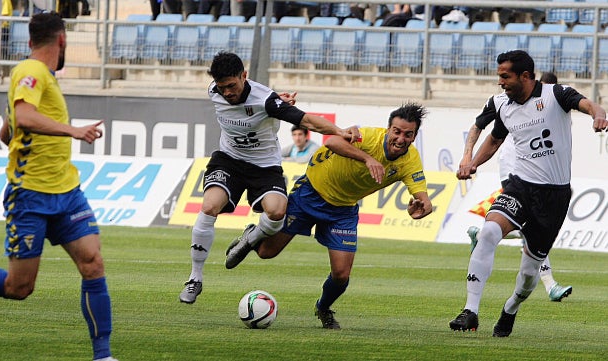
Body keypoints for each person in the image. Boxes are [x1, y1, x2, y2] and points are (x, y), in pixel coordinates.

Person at [0, 13, 117, 361]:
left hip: (66, 192)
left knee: (93, 263)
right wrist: (74, 130)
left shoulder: (38, 76)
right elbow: (26, 116)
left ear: (31, 39)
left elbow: (9, 130)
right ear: (62, 41)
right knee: (19, 288)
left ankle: (103, 356)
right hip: (30, 196)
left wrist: (15, 132)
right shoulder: (31, 71)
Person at [226, 103, 433, 329]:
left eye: (408, 134)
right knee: (267, 252)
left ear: (414, 136)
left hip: (342, 210)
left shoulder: (410, 160)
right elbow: (332, 141)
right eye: (397, 131)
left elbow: (423, 198)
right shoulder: (369, 137)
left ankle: (323, 308)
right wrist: (367, 158)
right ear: (388, 129)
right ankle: (253, 234)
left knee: (342, 274)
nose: (401, 138)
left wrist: (422, 207)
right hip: (310, 193)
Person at [178, 51, 360, 304]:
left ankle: (250, 238)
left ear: (244, 76)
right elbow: (226, 91)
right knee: (209, 206)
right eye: (222, 87)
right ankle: (195, 278)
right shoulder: (214, 91)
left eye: (232, 85)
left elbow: (308, 121)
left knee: (276, 212)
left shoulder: (266, 101)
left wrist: (338, 131)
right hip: (228, 160)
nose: (227, 92)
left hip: (264, 166)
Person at [450, 50, 608, 337]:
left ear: (525, 76)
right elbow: (495, 139)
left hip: (554, 198)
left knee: (527, 276)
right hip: (520, 187)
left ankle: (510, 308)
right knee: (488, 232)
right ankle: (470, 310)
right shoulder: (503, 106)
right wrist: (472, 162)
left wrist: (599, 116)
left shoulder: (556, 94)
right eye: (499, 76)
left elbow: (590, 105)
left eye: (505, 76)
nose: (500, 82)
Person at [461, 70, 572, 303]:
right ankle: (549, 282)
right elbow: (478, 126)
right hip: (514, 169)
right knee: (529, 224)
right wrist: (468, 157)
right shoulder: (502, 102)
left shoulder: (556, 104)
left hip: (543, 177)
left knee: (527, 228)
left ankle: (483, 235)